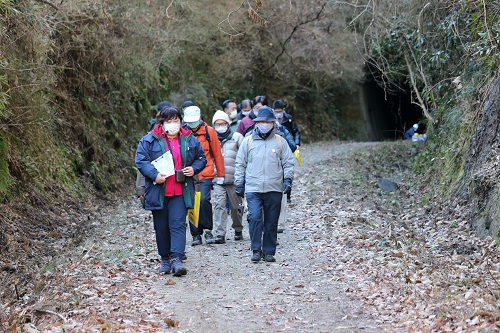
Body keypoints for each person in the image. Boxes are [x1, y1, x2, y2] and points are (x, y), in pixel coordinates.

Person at [135, 106, 207, 276]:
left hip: (181, 191)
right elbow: (141, 159)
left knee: (178, 225)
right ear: (162, 122)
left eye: (176, 121)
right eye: (169, 121)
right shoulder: (150, 139)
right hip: (158, 190)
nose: (173, 124)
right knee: (161, 227)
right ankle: (165, 259)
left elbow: (201, 158)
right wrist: (154, 175)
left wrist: (194, 168)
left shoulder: (189, 138)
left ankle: (177, 259)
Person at [234, 106, 295, 263]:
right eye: (261, 121)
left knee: (271, 220)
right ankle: (255, 249)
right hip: (253, 188)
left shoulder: (280, 142)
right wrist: (239, 183)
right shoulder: (248, 142)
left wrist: (288, 180)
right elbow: (240, 163)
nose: (265, 124)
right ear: (256, 122)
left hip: (274, 187)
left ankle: (268, 251)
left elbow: (288, 162)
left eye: (268, 121)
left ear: (273, 123)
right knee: (254, 217)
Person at [183, 105, 225, 246]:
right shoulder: (182, 132)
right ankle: (196, 234)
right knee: (191, 203)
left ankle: (207, 229)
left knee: (204, 201)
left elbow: (217, 154)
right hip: (188, 174)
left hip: (206, 172)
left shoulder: (209, 131)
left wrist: (221, 174)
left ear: (200, 117)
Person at [211, 110, 245, 243]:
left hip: (234, 179)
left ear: (228, 123)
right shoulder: (211, 138)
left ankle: (238, 228)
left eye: (223, 123)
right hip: (218, 179)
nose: (220, 126)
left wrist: (242, 176)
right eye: (217, 124)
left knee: (236, 207)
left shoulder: (237, 137)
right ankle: (220, 234)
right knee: (219, 206)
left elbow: (244, 156)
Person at [273, 100, 300, 204]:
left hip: (287, 147)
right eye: (276, 111)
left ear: (283, 110)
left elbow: (296, 131)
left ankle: (287, 195)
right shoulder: (269, 119)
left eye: (280, 111)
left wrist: (296, 144)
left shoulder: (288, 118)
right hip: (274, 148)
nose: (278, 113)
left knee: (287, 170)